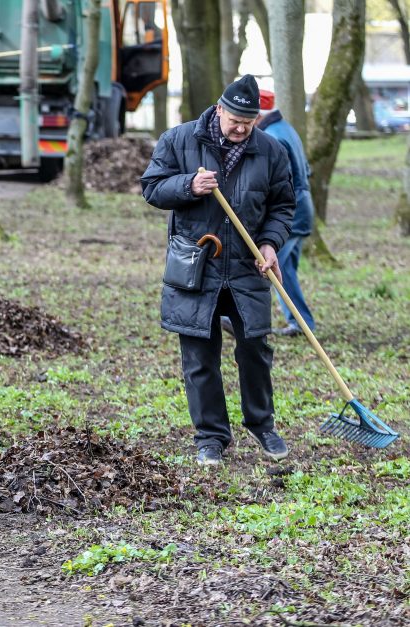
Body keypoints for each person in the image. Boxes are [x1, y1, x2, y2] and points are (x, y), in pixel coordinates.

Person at [141, 74, 296, 466]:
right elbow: (152, 188)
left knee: (255, 349)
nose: (242, 128)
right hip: (196, 264)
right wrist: (188, 185)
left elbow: (282, 206)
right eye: (235, 121)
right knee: (199, 355)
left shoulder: (271, 151)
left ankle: (262, 425)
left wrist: (269, 244)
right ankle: (210, 437)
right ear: (220, 108)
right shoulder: (179, 140)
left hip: (247, 265)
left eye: (249, 122)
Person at [257, 89, 316, 337]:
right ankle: (301, 324)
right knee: (286, 270)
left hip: (292, 213)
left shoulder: (272, 137)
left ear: (257, 114)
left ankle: (236, 318)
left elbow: (280, 183)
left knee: (264, 265)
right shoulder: (285, 129)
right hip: (303, 209)